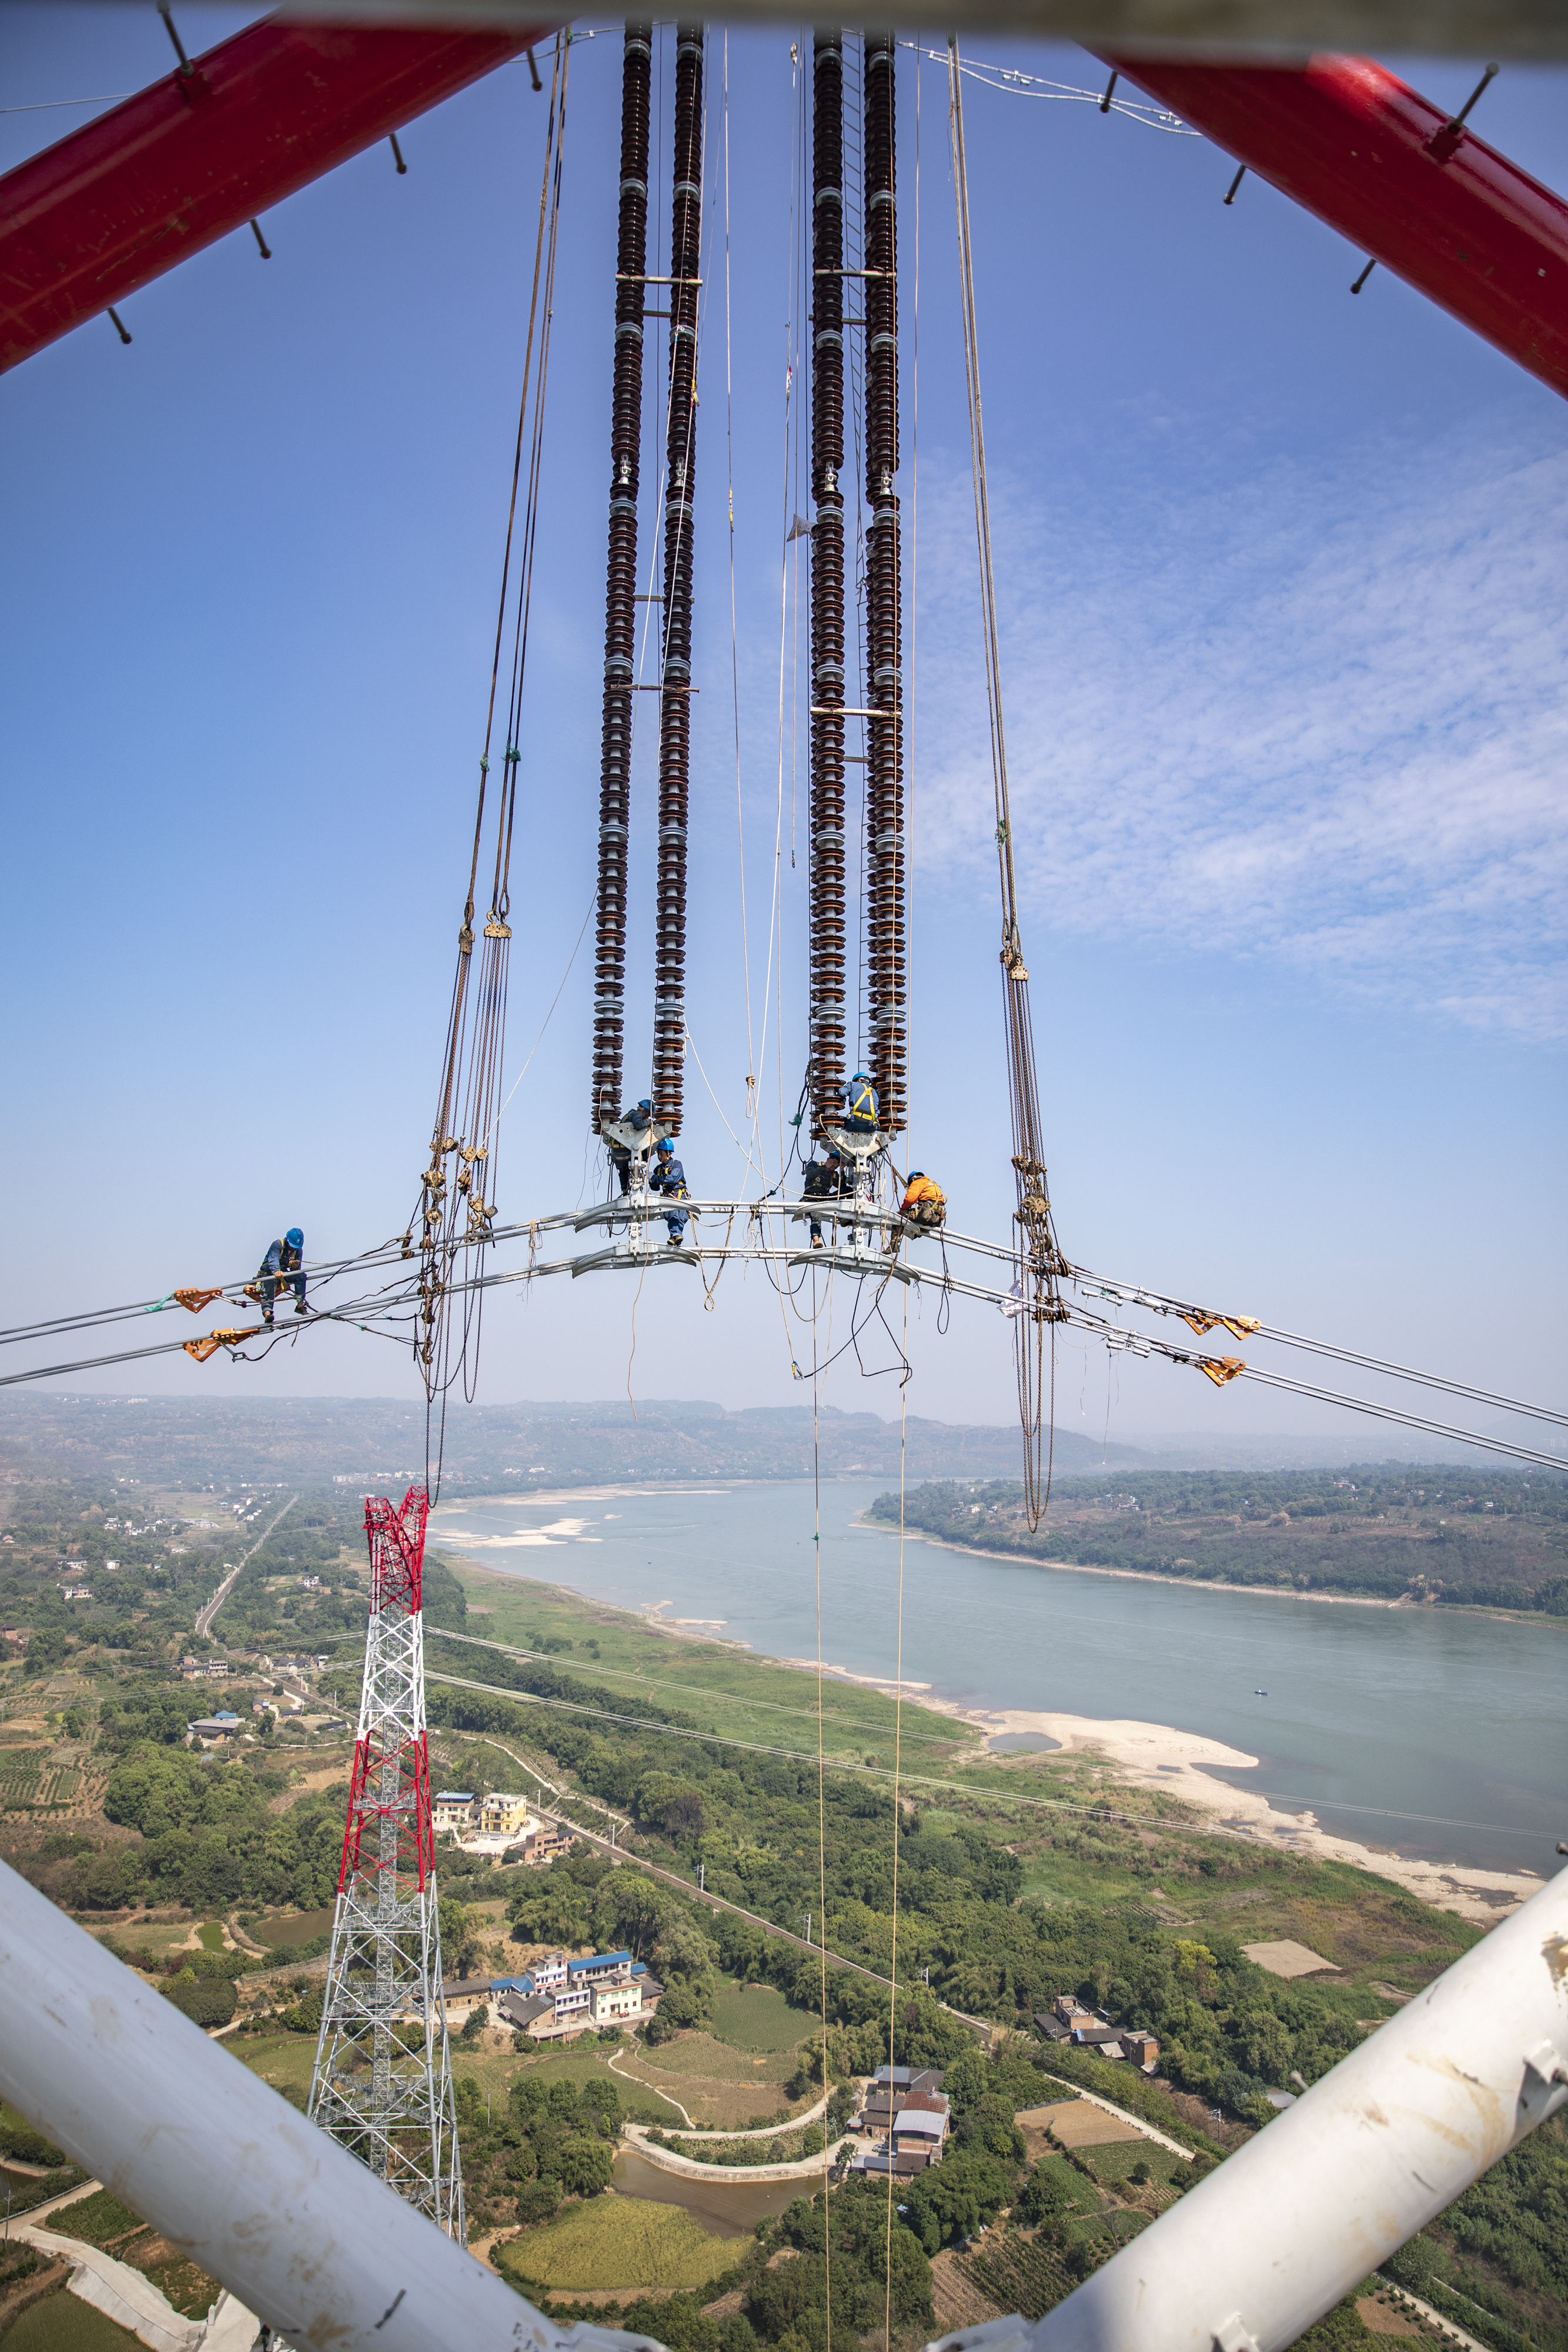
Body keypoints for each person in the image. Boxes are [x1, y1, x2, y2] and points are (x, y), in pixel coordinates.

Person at [255, 1229, 306, 1325]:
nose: (293, 1248)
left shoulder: (298, 1251)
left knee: (301, 1276)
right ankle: (268, 1314)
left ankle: (300, 1305)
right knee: (268, 1292)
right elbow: (273, 1259)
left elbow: (296, 1271)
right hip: (269, 1274)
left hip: (283, 1276)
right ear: (288, 1241)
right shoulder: (277, 1245)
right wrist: (276, 1271)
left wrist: (295, 1267)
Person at [889, 1170, 946, 1252]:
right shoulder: (933, 1185)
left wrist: (904, 1210)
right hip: (937, 1219)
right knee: (918, 1224)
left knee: (898, 1217)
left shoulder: (918, 1183)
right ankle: (916, 1233)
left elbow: (910, 1199)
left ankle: (894, 1245)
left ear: (912, 1179)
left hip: (928, 1215)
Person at [648, 1137, 691, 1246]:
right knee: (672, 1215)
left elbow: (672, 1180)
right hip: (668, 1196)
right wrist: (651, 1181)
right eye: (658, 1154)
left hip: (680, 1194)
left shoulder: (677, 1165)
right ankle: (676, 1235)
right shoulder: (658, 1169)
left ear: (669, 1153)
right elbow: (656, 1188)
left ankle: (675, 1236)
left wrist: (655, 1178)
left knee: (682, 1216)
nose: (659, 1157)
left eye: (661, 1154)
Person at [801, 1148, 844, 1248]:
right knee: (816, 1215)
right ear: (828, 1159)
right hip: (811, 1197)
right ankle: (816, 1241)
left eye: (835, 1165)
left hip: (825, 1197)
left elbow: (842, 1187)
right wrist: (825, 1167)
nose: (833, 1166)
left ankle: (847, 1218)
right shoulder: (814, 1165)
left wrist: (842, 1170)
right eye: (832, 1163)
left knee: (847, 1190)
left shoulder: (834, 1174)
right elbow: (811, 1174)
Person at [611, 1098, 654, 1194]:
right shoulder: (637, 1114)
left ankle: (625, 1191)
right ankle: (633, 1186)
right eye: (648, 1116)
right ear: (645, 1111)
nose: (647, 1118)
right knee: (641, 1142)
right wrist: (649, 1122)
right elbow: (638, 1125)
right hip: (626, 1153)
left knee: (623, 1171)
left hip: (617, 1154)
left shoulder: (628, 1116)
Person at [841, 1071, 879, 1136]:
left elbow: (842, 1092)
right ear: (868, 1081)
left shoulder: (852, 1085)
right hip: (871, 1126)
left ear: (859, 1080)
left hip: (854, 1123)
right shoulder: (875, 1092)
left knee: (844, 1127)